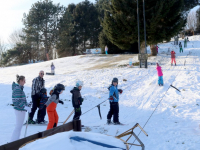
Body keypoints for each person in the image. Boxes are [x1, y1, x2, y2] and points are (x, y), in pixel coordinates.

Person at [10, 75, 31, 142]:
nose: (25, 82)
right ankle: (13, 142)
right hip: (19, 110)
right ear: (21, 81)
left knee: (19, 127)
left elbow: (21, 100)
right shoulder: (17, 89)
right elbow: (16, 101)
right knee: (18, 127)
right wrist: (25, 107)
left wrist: (28, 104)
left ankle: (16, 141)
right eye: (24, 81)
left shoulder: (19, 88)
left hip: (21, 110)